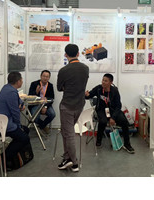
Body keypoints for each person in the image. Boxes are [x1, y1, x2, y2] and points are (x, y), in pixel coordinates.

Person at [56, 43, 90, 172]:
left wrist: (67, 87)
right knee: (67, 132)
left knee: (69, 134)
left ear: (65, 55)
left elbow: (59, 88)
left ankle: (74, 162)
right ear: (78, 54)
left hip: (67, 106)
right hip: (79, 104)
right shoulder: (85, 68)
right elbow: (82, 85)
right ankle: (67, 158)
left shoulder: (63, 71)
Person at [87, 74, 134, 152]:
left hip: (113, 110)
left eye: (106, 81)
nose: (103, 82)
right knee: (103, 121)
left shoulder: (114, 91)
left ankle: (127, 144)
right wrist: (87, 95)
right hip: (101, 110)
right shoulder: (98, 88)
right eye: (103, 80)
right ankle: (98, 140)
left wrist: (113, 117)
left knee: (124, 122)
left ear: (111, 82)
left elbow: (119, 105)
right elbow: (89, 95)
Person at [0, 71, 32, 166]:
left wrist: (22, 104)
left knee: (26, 130)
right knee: (24, 138)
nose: (22, 81)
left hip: (0, 122)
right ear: (18, 81)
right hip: (3, 125)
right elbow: (15, 112)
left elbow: (18, 100)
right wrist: (18, 126)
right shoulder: (11, 92)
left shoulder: (7, 88)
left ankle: (16, 155)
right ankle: (2, 159)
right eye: (21, 80)